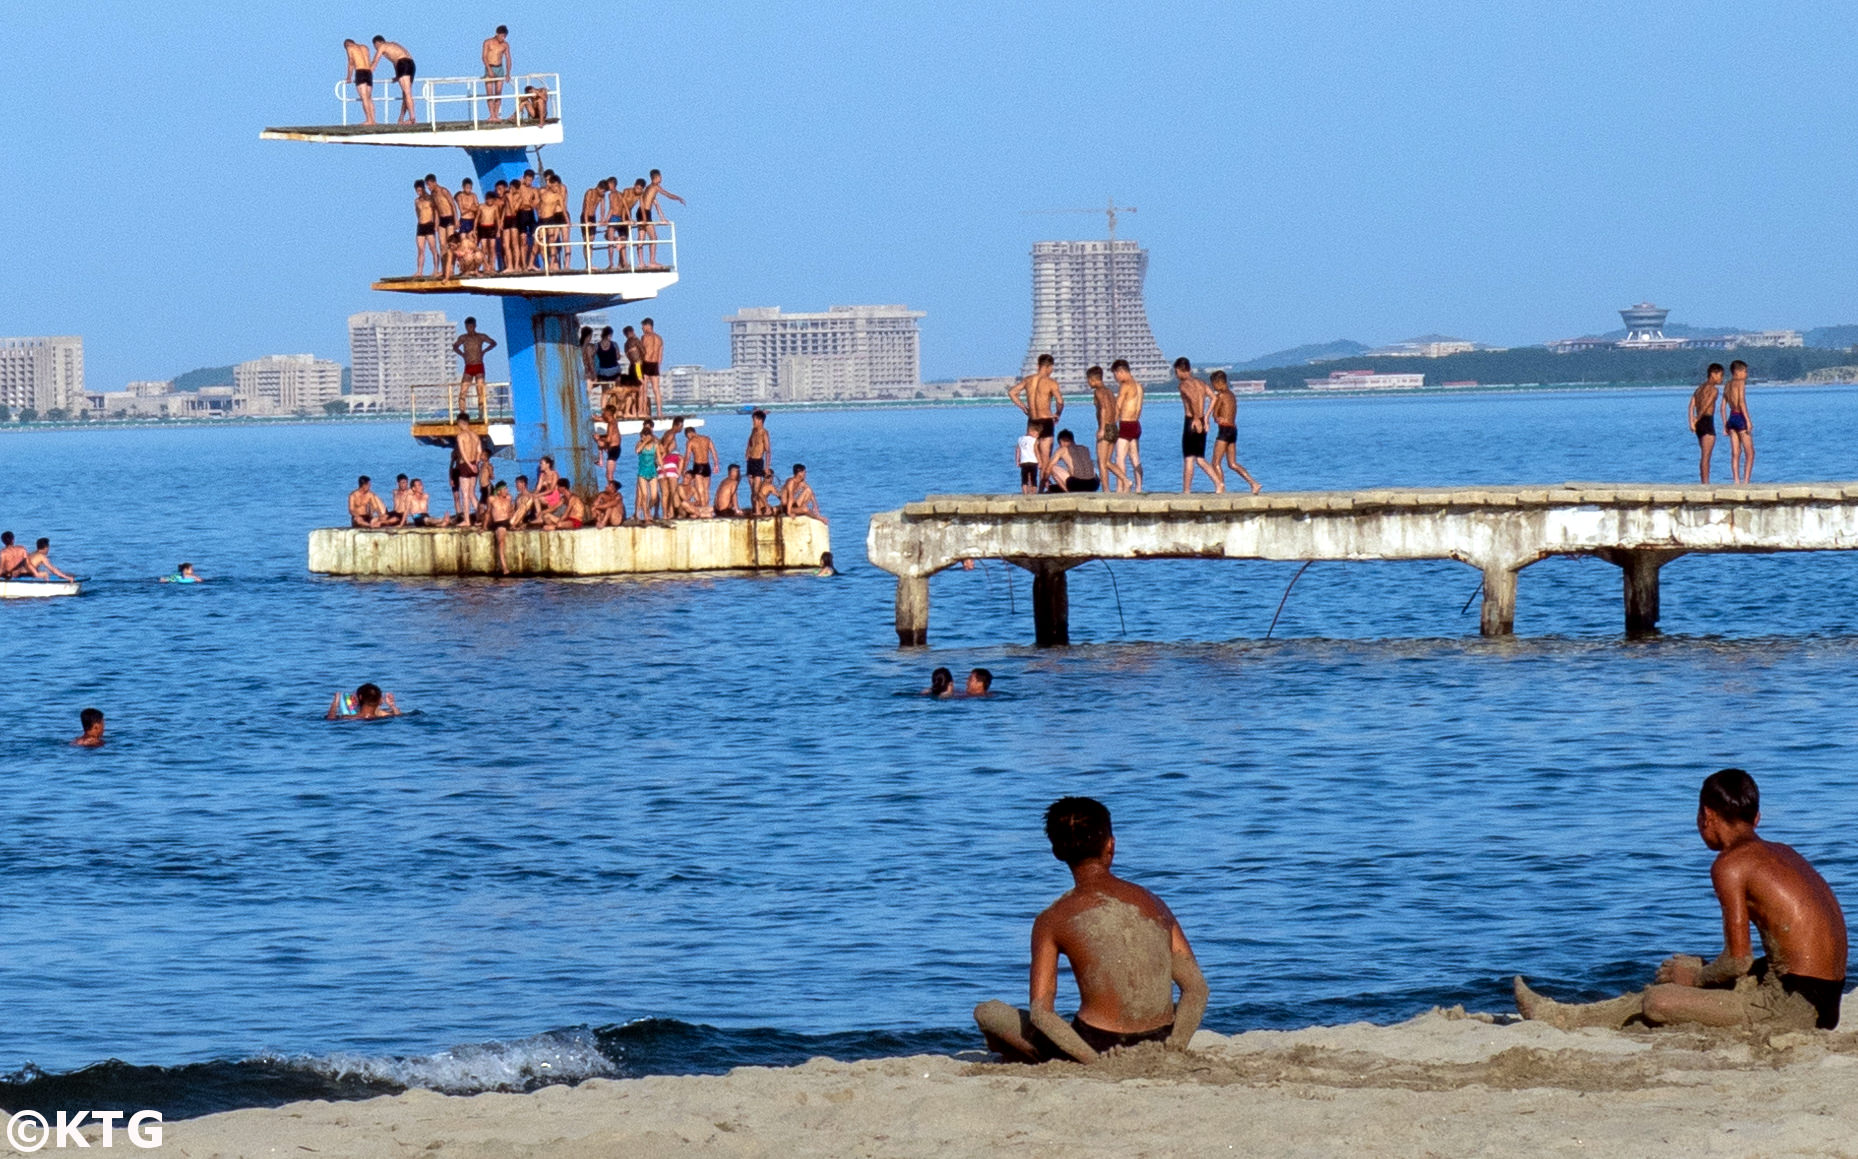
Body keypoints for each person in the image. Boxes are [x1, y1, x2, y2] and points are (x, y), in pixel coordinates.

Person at [1515, 768, 1847, 1032]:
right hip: (1824, 1000)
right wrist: (1695, 973)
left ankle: (1561, 1019)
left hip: (1791, 1008)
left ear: (1707, 816)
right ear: (1756, 818)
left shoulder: (1730, 865)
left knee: (1658, 1001)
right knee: (1686, 968)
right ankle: (1571, 1014)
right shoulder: (1783, 854)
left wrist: (1695, 979)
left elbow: (1737, 961)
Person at [974, 797, 1209, 1063]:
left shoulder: (1052, 919)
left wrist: (1095, 1064)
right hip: (1160, 1038)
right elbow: (1197, 989)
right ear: (1111, 845)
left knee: (988, 1013)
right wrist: (1174, 1046)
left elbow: (1042, 1013)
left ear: (1056, 852)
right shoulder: (1153, 903)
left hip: (1097, 1043)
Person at [1009, 354, 1064, 488]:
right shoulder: (1051, 382)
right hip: (1046, 421)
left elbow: (1012, 392)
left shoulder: (1028, 380)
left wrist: (1024, 408)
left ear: (1038, 366)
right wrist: (1057, 414)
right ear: (1049, 367)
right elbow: (1060, 401)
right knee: (1044, 461)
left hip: (1032, 421)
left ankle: (1028, 488)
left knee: (1030, 458)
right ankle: (1041, 490)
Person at [1207, 371, 1262, 495]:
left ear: (1218, 383)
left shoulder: (1220, 396)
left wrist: (1216, 417)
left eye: (1213, 385)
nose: (1213, 387)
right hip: (1233, 430)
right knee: (1232, 463)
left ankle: (1220, 487)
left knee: (1215, 462)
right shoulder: (1232, 395)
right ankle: (1254, 483)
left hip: (1224, 430)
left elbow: (1215, 415)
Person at [1173, 357, 1218, 493]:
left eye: (1176, 372)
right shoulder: (1200, 383)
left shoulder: (1184, 385)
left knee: (1189, 458)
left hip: (1191, 421)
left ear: (1181, 370)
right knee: (1200, 458)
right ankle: (1218, 483)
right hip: (1201, 419)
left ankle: (1186, 491)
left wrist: (1196, 418)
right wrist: (1206, 417)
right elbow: (1214, 398)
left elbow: (1192, 399)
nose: (1176, 375)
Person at [1088, 365, 1127, 491]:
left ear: (1093, 379)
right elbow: (1116, 409)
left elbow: (1103, 409)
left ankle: (1106, 490)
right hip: (1113, 427)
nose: (1088, 383)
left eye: (1088, 380)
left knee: (1101, 462)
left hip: (1105, 428)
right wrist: (1113, 422)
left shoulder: (1098, 392)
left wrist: (1102, 429)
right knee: (1107, 462)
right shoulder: (1109, 391)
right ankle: (1126, 480)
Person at [638, 169, 685, 269]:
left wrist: (662, 218)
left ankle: (641, 262)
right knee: (653, 237)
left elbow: (655, 204)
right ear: (657, 177)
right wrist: (678, 198)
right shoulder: (655, 187)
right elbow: (668, 195)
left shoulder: (648, 188)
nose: (661, 178)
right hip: (645, 212)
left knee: (641, 238)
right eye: (660, 176)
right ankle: (652, 261)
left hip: (640, 212)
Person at [1112, 359, 1145, 492]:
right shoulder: (1139, 386)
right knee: (1135, 457)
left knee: (1120, 457)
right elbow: (1140, 407)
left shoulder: (1126, 385)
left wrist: (1112, 422)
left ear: (1121, 372)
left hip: (1125, 423)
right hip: (1136, 423)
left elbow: (1118, 405)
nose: (1116, 379)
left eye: (1116, 375)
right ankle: (1139, 487)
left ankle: (1122, 486)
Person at [454, 318, 498, 416]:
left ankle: (481, 414)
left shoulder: (480, 337)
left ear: (474, 326)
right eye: (467, 327)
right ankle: (462, 413)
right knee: (463, 391)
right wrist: (462, 354)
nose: (469, 329)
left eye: (470, 326)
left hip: (478, 365)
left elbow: (493, 343)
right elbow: (455, 346)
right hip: (468, 366)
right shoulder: (463, 338)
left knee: (480, 390)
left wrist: (484, 351)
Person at [370, 37, 417, 124]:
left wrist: (368, 73)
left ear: (377, 43)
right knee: (406, 94)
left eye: (375, 47)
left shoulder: (382, 46)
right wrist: (397, 76)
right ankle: (401, 118)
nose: (376, 49)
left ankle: (412, 118)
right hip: (411, 64)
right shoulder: (394, 44)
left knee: (407, 93)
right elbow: (395, 62)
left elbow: (375, 61)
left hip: (403, 64)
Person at [1690, 363, 1722, 484]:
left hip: (1699, 424)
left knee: (1704, 454)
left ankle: (1704, 481)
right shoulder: (1713, 390)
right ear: (1713, 374)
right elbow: (1706, 405)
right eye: (1720, 375)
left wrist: (1691, 421)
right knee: (1706, 456)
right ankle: (1705, 482)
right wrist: (1697, 418)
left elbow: (1691, 405)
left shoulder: (1699, 389)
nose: (1721, 379)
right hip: (1706, 420)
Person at [1724, 359, 1754, 484]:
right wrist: (1748, 420)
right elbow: (1741, 401)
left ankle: (1736, 480)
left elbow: (1723, 406)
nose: (1746, 375)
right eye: (1745, 372)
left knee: (1735, 452)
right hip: (1740, 417)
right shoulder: (1740, 383)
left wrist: (1725, 422)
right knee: (1750, 452)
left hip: (1731, 418)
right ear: (1738, 372)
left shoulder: (1727, 385)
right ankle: (1746, 480)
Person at [450, 412, 484, 521]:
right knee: (472, 494)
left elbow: (463, 452)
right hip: (474, 464)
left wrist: (469, 465)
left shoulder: (461, 436)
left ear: (460, 423)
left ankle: (467, 520)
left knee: (464, 494)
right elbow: (479, 451)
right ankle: (481, 517)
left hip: (465, 465)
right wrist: (475, 464)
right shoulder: (475, 436)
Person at [683, 426, 719, 511]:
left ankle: (704, 510)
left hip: (698, 466)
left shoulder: (690, 442)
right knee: (706, 490)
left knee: (700, 490)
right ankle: (707, 507)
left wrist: (684, 469)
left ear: (689, 434)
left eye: (687, 436)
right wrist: (716, 464)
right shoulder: (707, 439)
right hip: (707, 466)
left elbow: (687, 457)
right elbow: (714, 452)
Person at [482, 25, 512, 121]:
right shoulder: (488, 42)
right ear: (497, 34)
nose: (503, 38)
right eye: (502, 36)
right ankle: (492, 115)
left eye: (505, 36)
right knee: (490, 93)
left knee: (498, 93)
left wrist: (508, 73)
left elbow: (508, 59)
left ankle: (496, 115)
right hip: (490, 67)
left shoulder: (505, 45)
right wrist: (489, 70)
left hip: (499, 69)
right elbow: (484, 57)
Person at [343, 39, 377, 125]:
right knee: (369, 98)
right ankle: (373, 120)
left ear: (347, 44)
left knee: (364, 98)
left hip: (360, 72)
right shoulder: (365, 47)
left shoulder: (350, 48)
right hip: (368, 73)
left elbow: (351, 63)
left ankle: (369, 120)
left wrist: (348, 77)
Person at [746, 410, 774, 515]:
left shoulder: (764, 433)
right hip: (750, 461)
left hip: (758, 462)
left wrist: (767, 467)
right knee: (752, 490)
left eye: (754, 420)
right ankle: (756, 509)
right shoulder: (753, 431)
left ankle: (767, 507)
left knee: (757, 490)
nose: (753, 422)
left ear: (760, 421)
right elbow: (750, 442)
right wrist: (747, 452)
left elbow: (768, 451)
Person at [327, 682, 401, 721]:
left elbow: (330, 719)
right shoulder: (387, 717)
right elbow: (399, 717)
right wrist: (392, 706)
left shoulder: (348, 718)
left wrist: (335, 703)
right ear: (380, 701)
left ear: (360, 697)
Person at [634, 421, 661, 521]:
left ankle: (650, 510)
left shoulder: (656, 442)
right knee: (642, 495)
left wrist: (662, 468)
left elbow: (660, 455)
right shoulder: (640, 443)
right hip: (642, 472)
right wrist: (645, 441)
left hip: (652, 471)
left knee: (654, 496)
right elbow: (637, 451)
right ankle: (641, 514)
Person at [640, 318, 666, 417]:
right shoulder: (660, 338)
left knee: (643, 388)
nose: (642, 328)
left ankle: (642, 411)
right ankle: (659, 412)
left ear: (647, 325)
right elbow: (660, 356)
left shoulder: (645, 337)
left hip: (646, 363)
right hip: (655, 365)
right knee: (656, 389)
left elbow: (642, 352)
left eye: (643, 326)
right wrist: (658, 366)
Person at [412, 179, 437, 277]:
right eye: (417, 191)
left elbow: (435, 212)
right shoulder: (416, 201)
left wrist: (435, 224)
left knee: (433, 248)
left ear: (423, 189)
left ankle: (435, 270)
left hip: (429, 225)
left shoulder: (430, 199)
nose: (418, 193)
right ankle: (419, 271)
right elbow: (417, 213)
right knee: (420, 250)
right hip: (421, 226)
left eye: (420, 190)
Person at [1016, 422, 1040, 494]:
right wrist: (1039, 461)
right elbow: (1036, 451)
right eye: (1037, 434)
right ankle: (1034, 493)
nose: (1037, 436)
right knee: (1033, 479)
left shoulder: (1020, 439)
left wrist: (1017, 461)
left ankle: (1025, 493)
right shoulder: (1034, 440)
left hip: (1023, 462)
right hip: (1033, 461)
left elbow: (1018, 450)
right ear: (1032, 432)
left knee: (1024, 480)